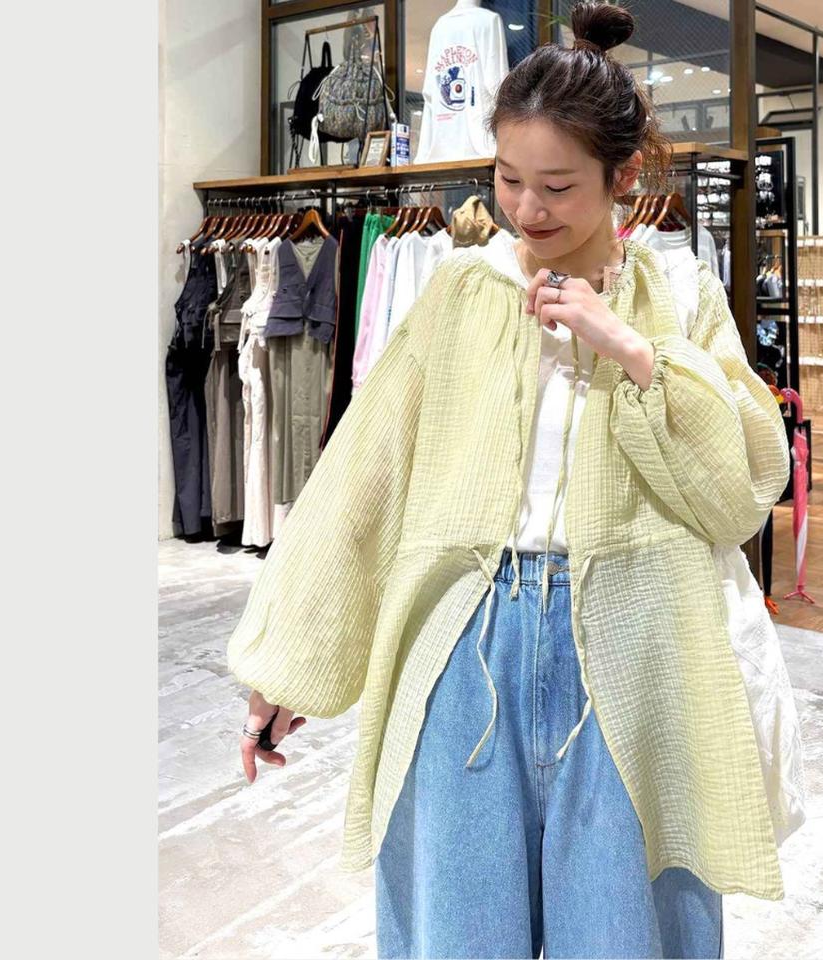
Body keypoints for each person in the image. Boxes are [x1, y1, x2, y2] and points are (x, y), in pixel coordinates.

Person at [227, 3, 790, 956]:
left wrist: (633, 350)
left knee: (622, 931)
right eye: (508, 179)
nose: (528, 210)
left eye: (559, 186)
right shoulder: (459, 289)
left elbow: (741, 488)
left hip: (636, 642)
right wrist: (285, 668)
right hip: (467, 640)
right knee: (461, 924)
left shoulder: (680, 294)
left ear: (624, 177)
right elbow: (365, 474)